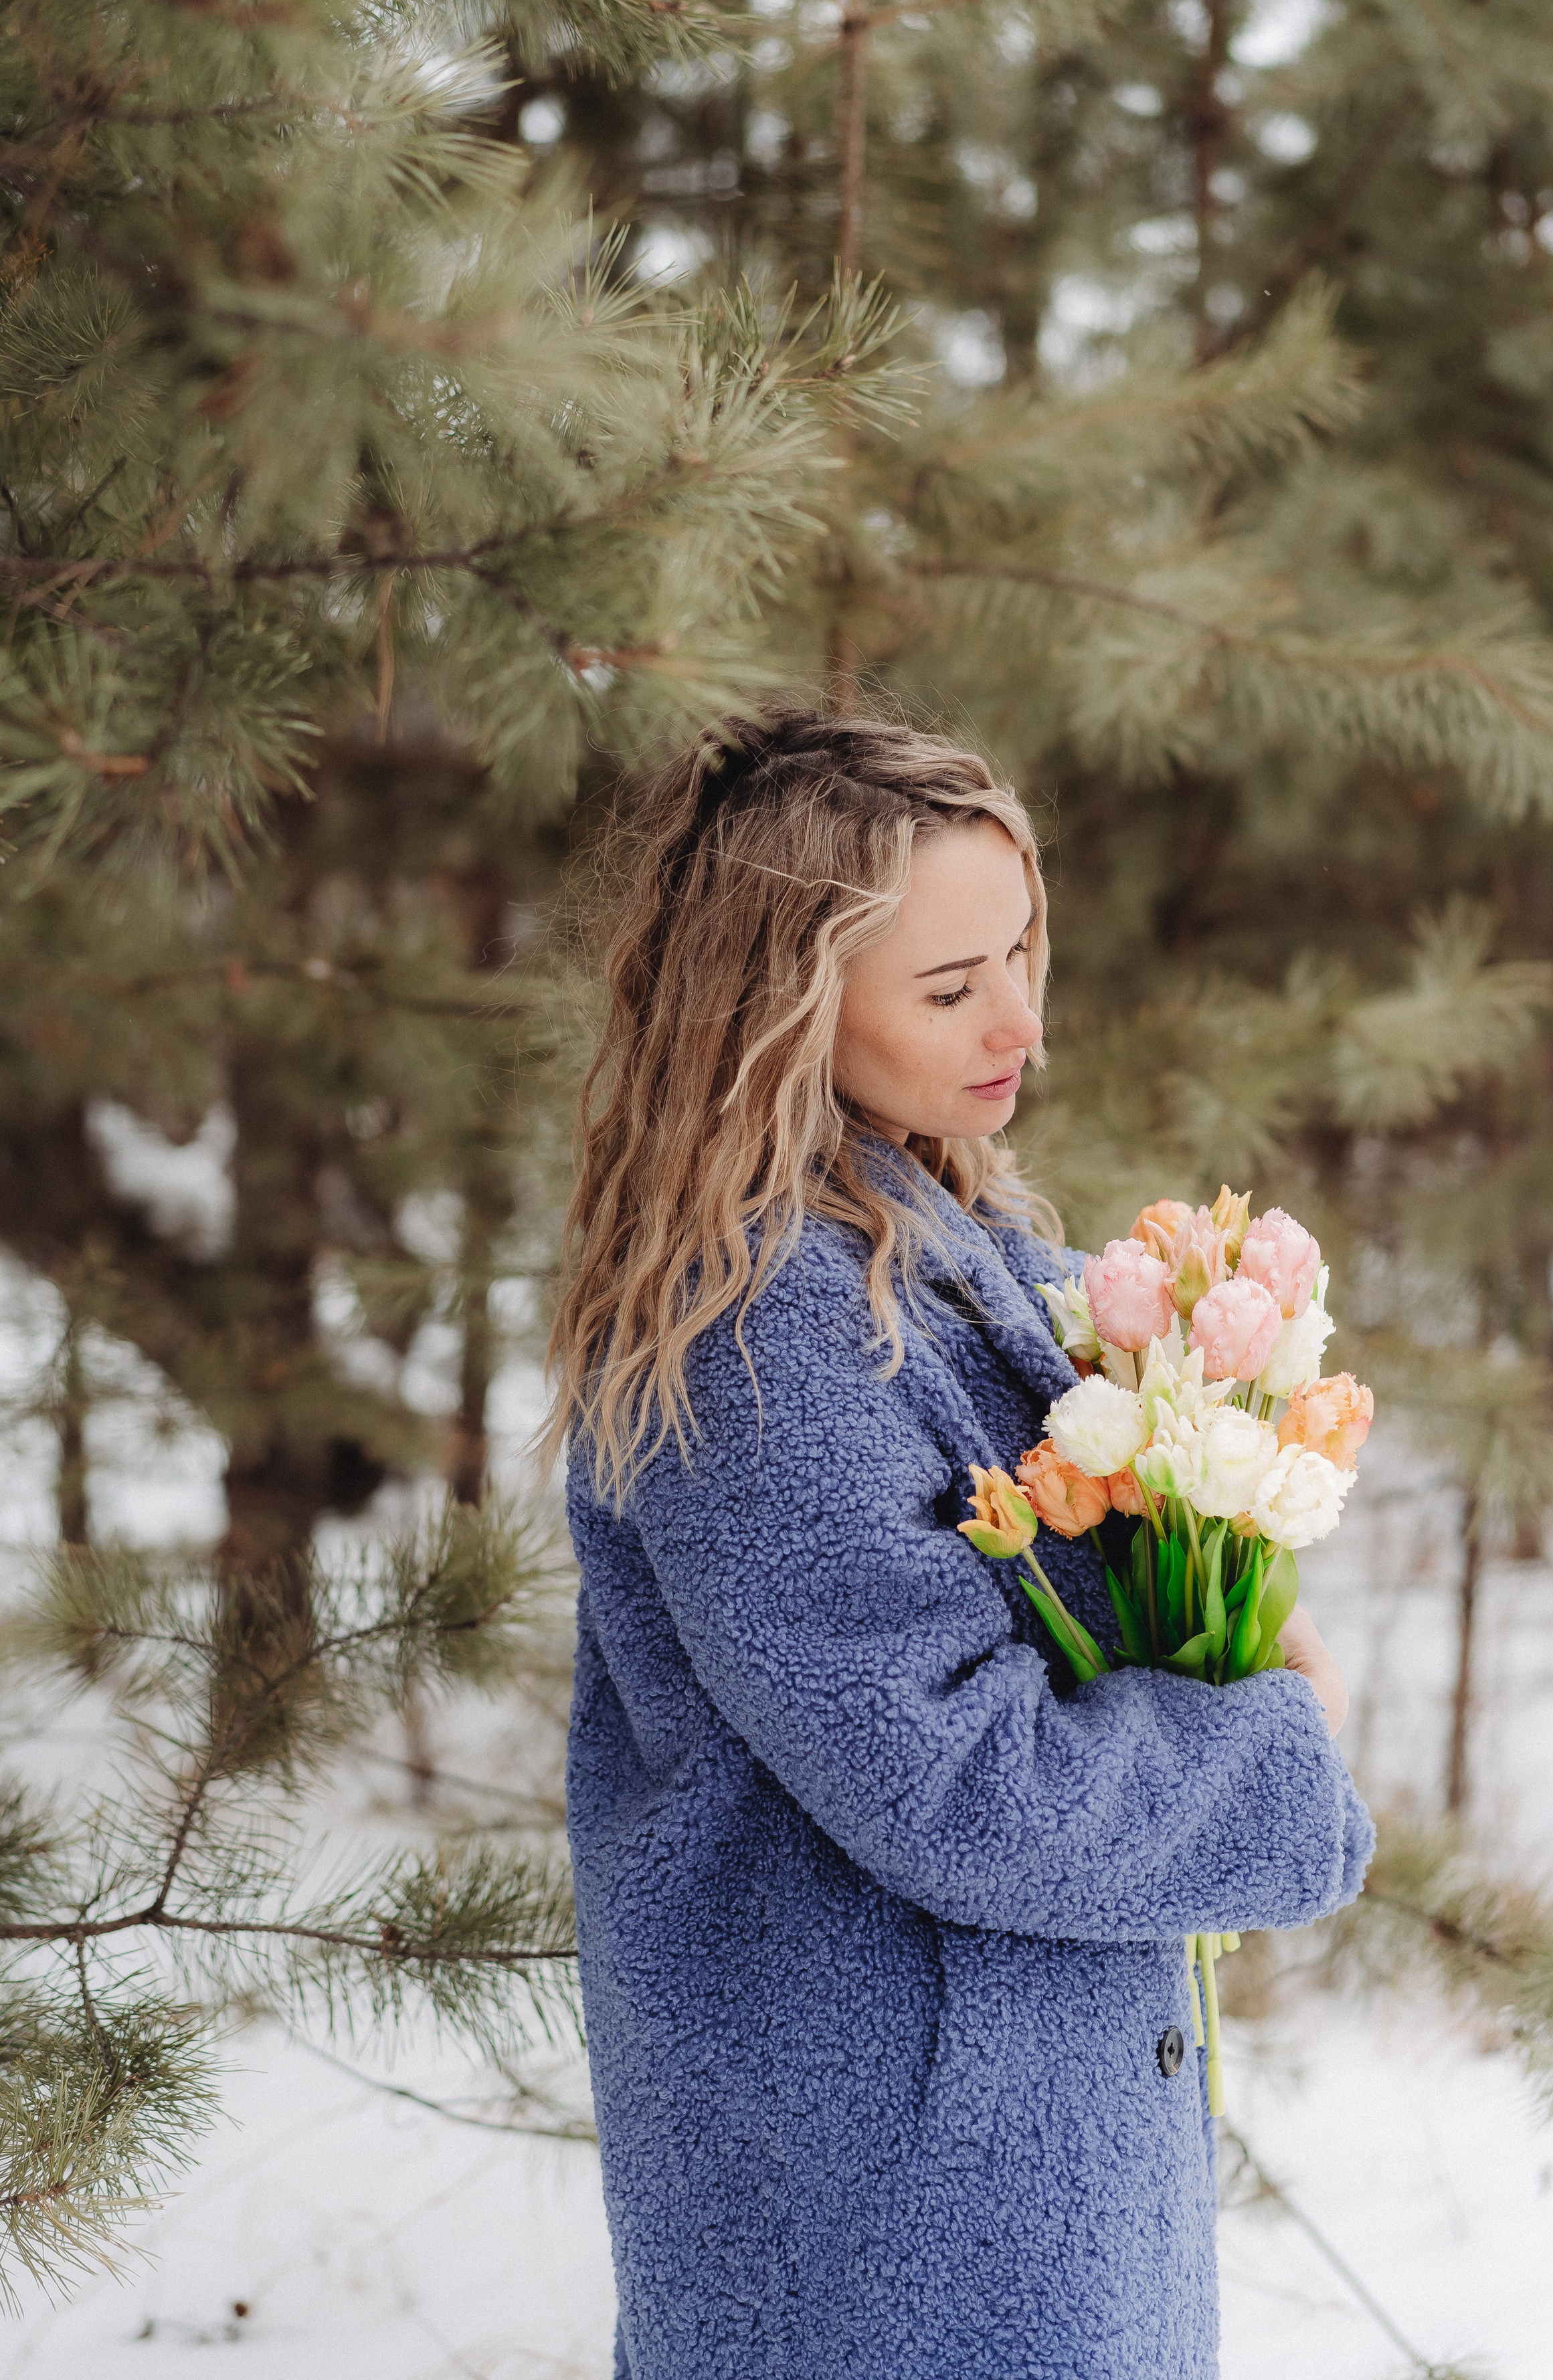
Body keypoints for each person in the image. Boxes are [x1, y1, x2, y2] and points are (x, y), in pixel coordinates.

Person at [549, 710, 1372, 2380]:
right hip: (897, 2219)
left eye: (1018, 953)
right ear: (781, 1008)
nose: (1023, 1024)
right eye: (948, 990)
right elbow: (948, 1775)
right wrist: (1271, 1758)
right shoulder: (759, 1330)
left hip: (990, 2161)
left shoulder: (934, 1235)